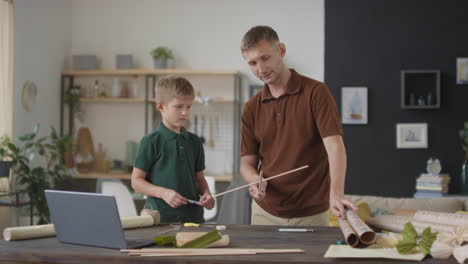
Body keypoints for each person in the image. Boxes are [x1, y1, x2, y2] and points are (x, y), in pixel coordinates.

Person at [240, 25, 357, 226]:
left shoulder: (316, 93)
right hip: (264, 212)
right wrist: (253, 179)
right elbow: (247, 164)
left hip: (311, 214)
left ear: (281, 51)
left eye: (265, 58)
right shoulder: (251, 108)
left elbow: (335, 147)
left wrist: (336, 194)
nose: (261, 69)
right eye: (252, 63)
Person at [131, 76, 215, 223]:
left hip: (193, 220)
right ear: (161, 107)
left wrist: (207, 194)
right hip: (159, 220)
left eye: (188, 106)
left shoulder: (195, 142)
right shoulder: (150, 141)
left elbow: (199, 179)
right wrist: (163, 193)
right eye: (179, 107)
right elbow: (136, 182)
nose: (185, 113)